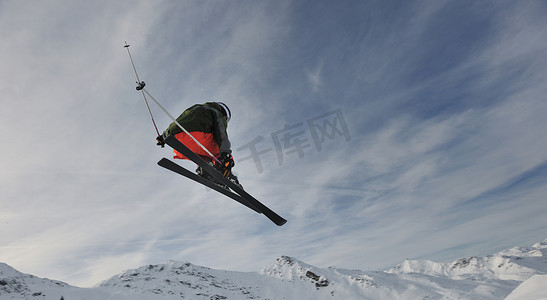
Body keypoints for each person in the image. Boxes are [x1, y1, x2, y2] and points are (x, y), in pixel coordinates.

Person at [155, 102, 240, 187]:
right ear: (225, 115)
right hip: (194, 137)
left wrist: (163, 137)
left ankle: (205, 170)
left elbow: (178, 122)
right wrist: (226, 155)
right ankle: (226, 173)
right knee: (219, 147)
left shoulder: (194, 108)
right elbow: (221, 135)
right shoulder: (217, 113)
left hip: (177, 143)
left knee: (206, 154)